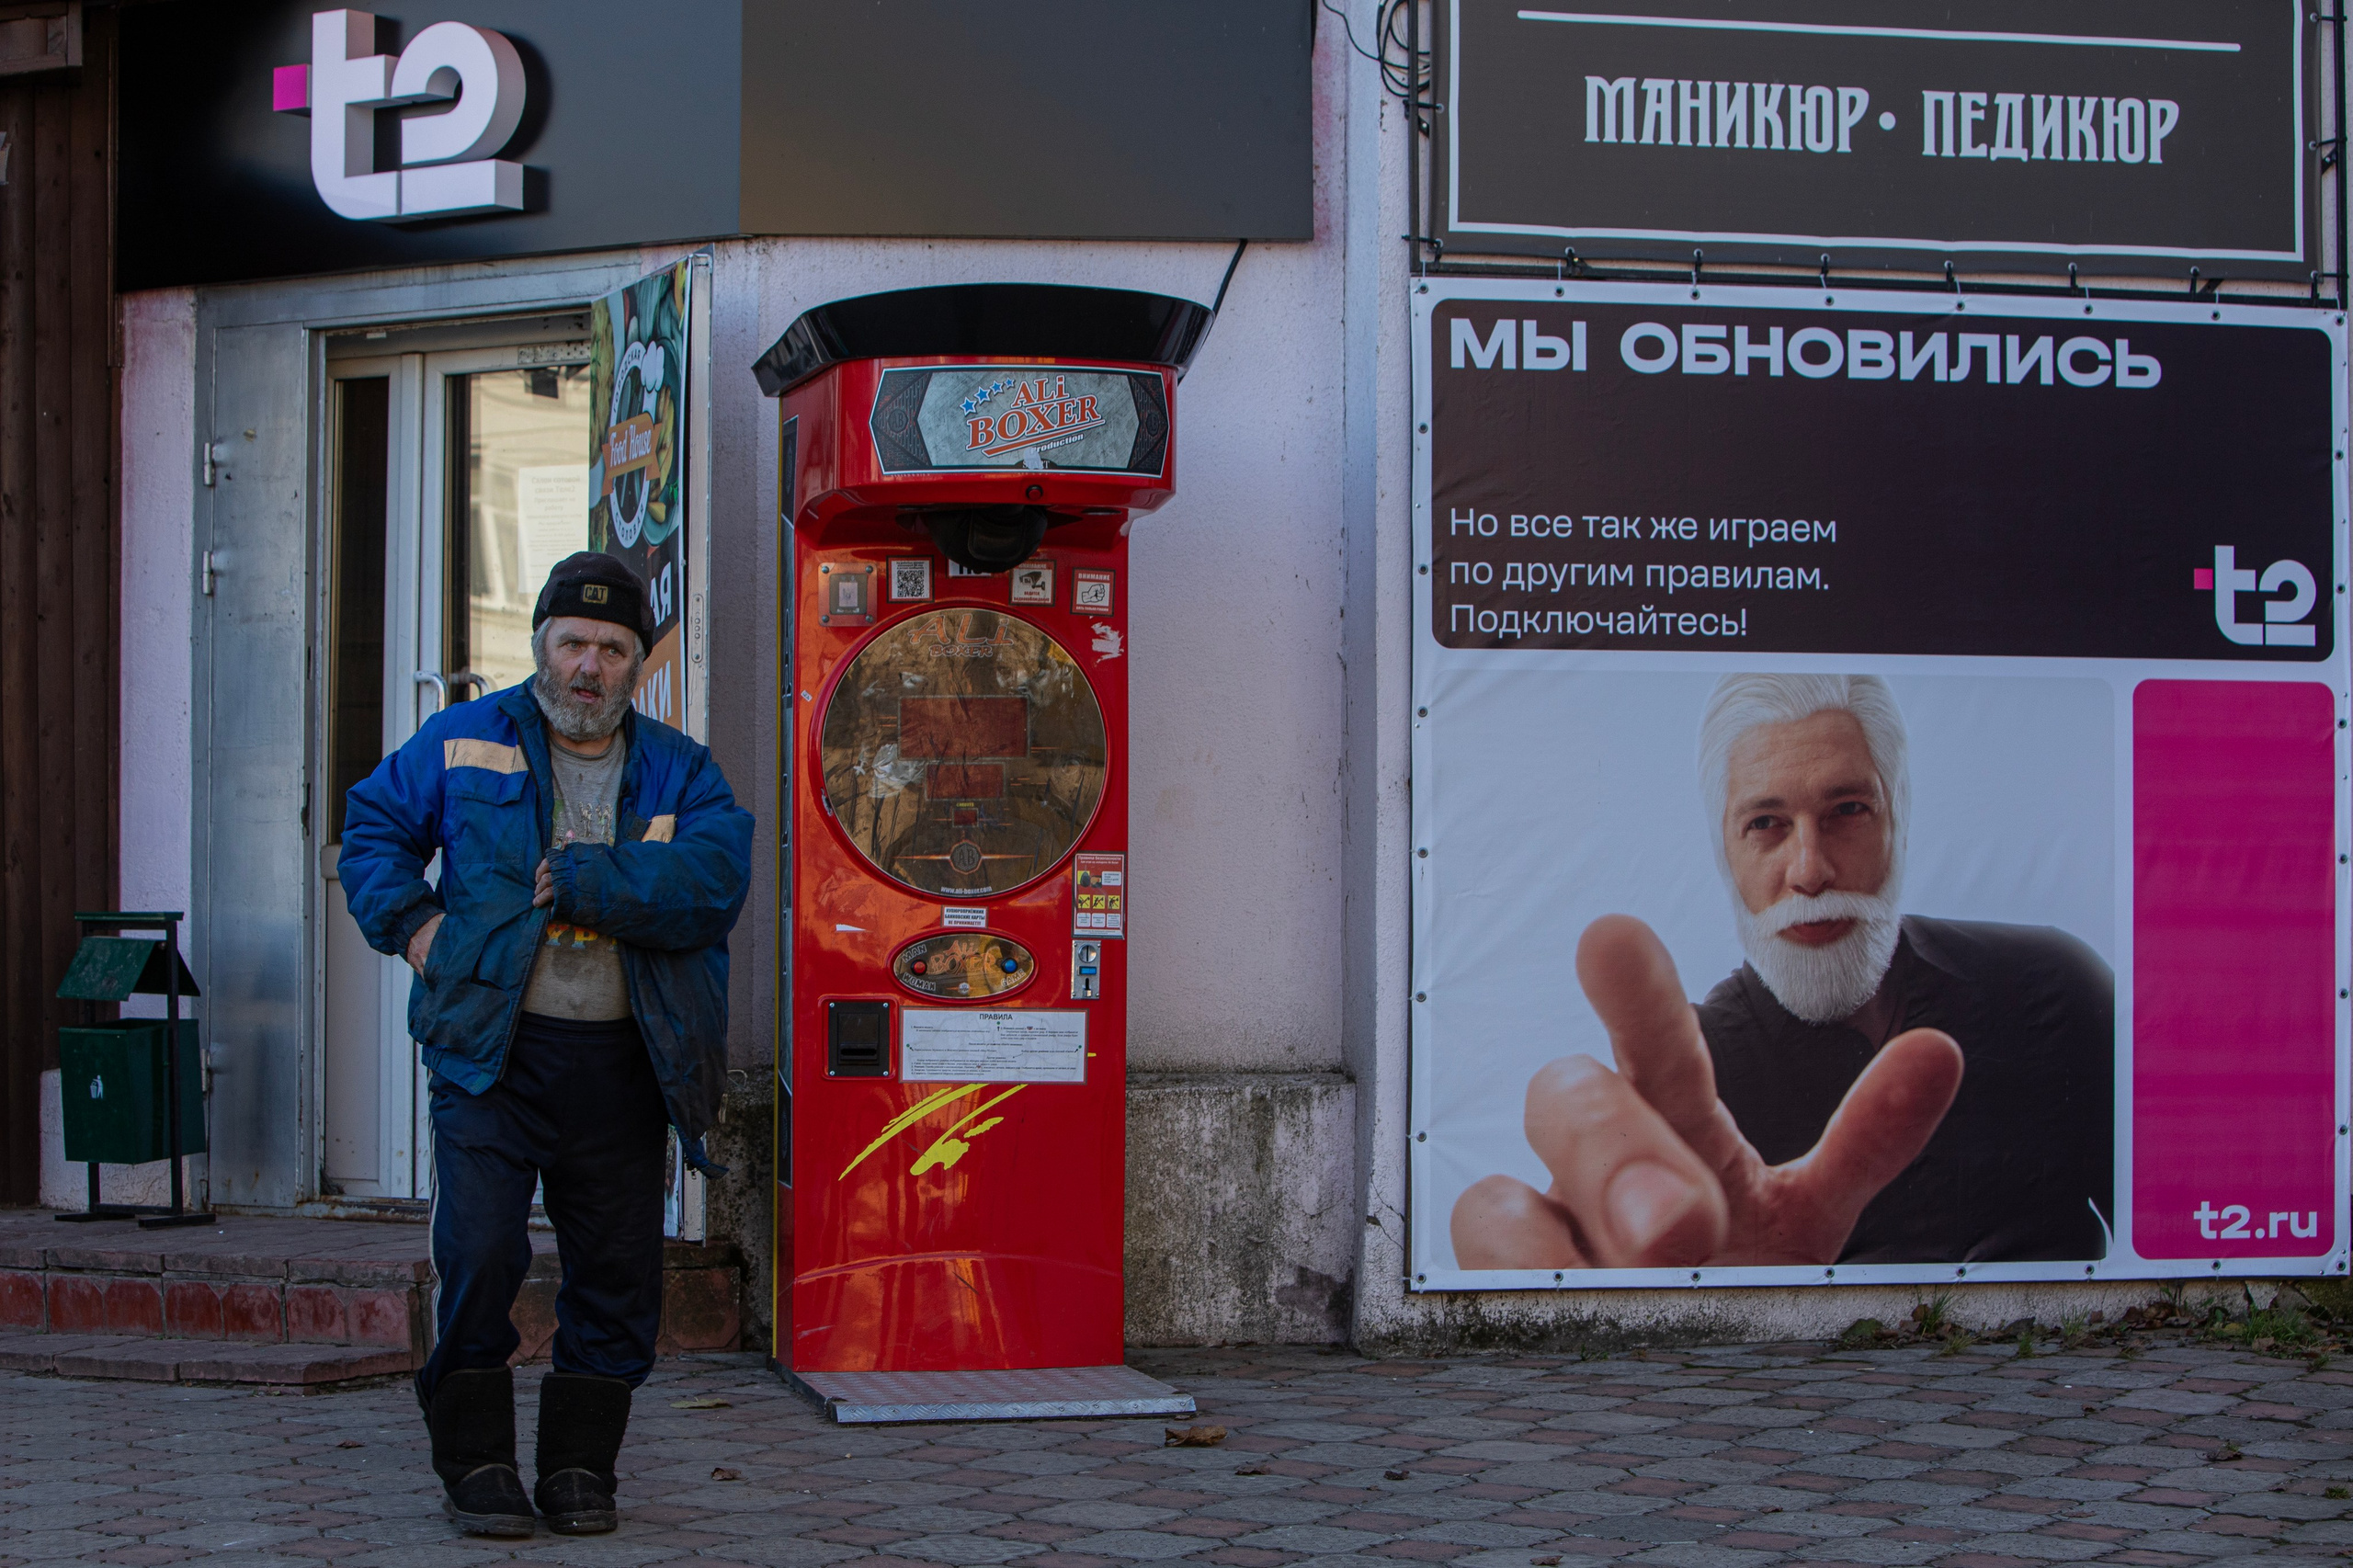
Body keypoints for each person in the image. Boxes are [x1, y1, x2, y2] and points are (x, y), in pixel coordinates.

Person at [341, 552, 752, 1538]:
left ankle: (577, 1465)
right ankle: (475, 1458)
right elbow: (372, 829)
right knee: (479, 1250)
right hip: (491, 1047)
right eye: (572, 642)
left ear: (634, 665)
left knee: (614, 1272)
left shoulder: (679, 767)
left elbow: (714, 879)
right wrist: (417, 926)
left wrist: (583, 881)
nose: (588, 666)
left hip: (624, 1059)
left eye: (611, 649)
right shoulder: (464, 738)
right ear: (540, 645)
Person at [1452, 673, 2112, 1272]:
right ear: (1724, 858)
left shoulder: (2050, 987)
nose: (1809, 871)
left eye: (1847, 810)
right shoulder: (1684, 1096)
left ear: (1899, 820)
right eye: (1766, 824)